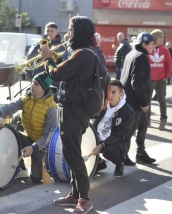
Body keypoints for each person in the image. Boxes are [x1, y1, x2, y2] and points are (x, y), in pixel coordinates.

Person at [41, 16, 97, 214]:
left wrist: (47, 58)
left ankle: (84, 198)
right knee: (69, 152)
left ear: (80, 31)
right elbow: (69, 72)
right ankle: (75, 194)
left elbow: (56, 74)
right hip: (73, 107)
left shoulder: (83, 54)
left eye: (71, 29)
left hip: (75, 109)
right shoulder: (85, 52)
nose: (68, 33)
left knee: (72, 154)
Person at [0, 72, 58, 183]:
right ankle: (21, 168)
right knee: (9, 133)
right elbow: (10, 107)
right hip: (27, 137)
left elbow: (49, 137)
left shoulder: (52, 108)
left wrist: (33, 148)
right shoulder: (26, 98)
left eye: (36, 84)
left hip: (41, 145)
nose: (32, 86)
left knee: (36, 178)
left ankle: (46, 162)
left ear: (44, 88)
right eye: (32, 82)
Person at [120, 32, 156, 165]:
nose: (153, 47)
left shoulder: (132, 54)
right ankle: (122, 155)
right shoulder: (141, 57)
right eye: (152, 44)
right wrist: (144, 102)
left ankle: (141, 153)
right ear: (144, 44)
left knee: (143, 125)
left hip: (131, 100)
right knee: (130, 130)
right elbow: (137, 82)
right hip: (135, 102)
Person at [92, 80, 135, 178]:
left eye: (113, 92)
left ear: (120, 93)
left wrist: (102, 145)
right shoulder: (103, 105)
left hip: (117, 142)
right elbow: (95, 123)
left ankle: (120, 163)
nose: (110, 95)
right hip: (99, 136)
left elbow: (121, 134)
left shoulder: (128, 111)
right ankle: (99, 163)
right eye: (108, 92)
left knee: (109, 152)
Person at [147, 29, 172, 130]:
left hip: (161, 80)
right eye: (160, 38)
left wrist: (166, 77)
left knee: (162, 101)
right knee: (147, 101)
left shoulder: (165, 50)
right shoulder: (149, 49)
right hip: (149, 80)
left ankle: (163, 120)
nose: (162, 40)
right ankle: (147, 120)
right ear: (154, 39)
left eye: (163, 38)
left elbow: (169, 64)